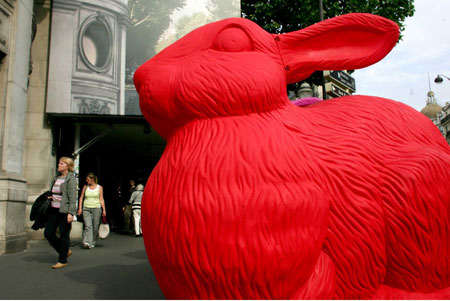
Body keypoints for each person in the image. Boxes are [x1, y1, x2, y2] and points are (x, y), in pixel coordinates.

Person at [44, 157, 77, 269]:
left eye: (61, 163)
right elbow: (55, 192)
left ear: (67, 166)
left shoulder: (71, 179)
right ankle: (64, 250)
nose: (59, 165)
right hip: (53, 209)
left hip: (64, 211)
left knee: (64, 235)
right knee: (48, 233)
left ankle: (62, 260)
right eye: (59, 163)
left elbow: (72, 197)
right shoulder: (56, 178)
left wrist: (71, 213)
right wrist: (50, 196)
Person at [77, 172, 106, 249]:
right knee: (88, 226)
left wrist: (104, 210)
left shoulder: (99, 188)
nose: (86, 181)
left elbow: (101, 199)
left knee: (95, 226)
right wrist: (80, 208)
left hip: (96, 208)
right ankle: (86, 242)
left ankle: (93, 241)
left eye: (88, 179)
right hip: (86, 208)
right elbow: (81, 198)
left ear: (92, 179)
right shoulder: (85, 187)